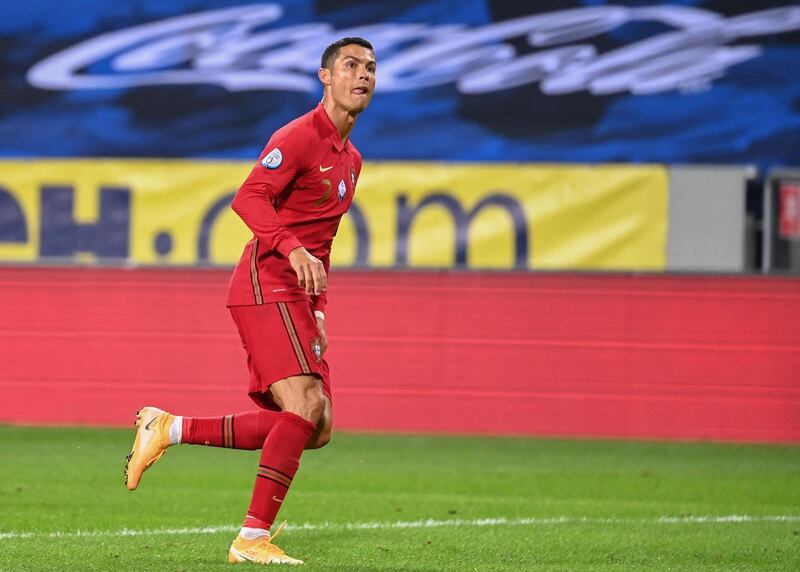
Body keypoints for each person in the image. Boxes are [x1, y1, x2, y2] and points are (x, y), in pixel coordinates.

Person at [123, 37, 376, 565]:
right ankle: (252, 538)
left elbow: (321, 243)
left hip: (297, 294)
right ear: (325, 76)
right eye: (351, 65)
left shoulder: (351, 159)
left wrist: (320, 309)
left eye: (371, 68)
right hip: (265, 280)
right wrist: (291, 247)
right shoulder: (300, 136)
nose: (363, 75)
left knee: (317, 425)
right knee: (304, 406)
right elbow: (248, 197)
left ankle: (168, 427)